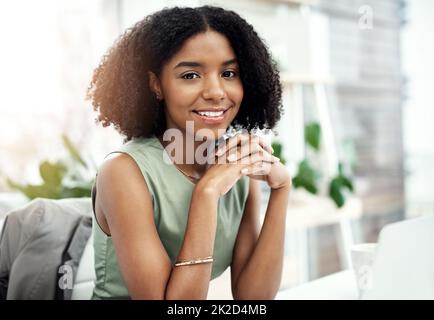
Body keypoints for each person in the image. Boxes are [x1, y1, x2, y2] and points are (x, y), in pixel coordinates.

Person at [87, 5, 291, 300]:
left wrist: (282, 188)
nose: (216, 92)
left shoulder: (236, 168)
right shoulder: (123, 172)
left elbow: (253, 299)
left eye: (229, 73)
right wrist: (207, 193)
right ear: (156, 84)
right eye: (191, 75)